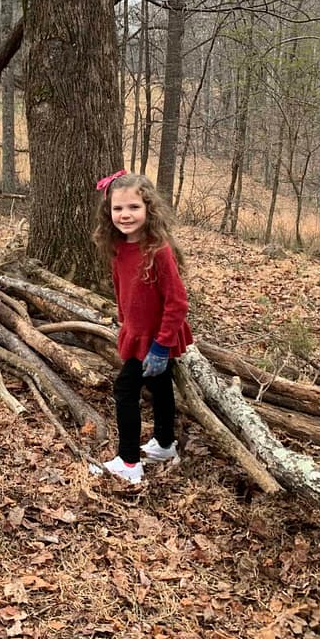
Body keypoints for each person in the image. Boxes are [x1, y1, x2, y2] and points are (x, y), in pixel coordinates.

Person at [89, 170, 193, 484]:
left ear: (149, 208)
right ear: (108, 212)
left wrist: (161, 346)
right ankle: (164, 443)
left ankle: (130, 462)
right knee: (160, 387)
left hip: (157, 337)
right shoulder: (119, 247)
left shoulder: (158, 251)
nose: (125, 215)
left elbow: (178, 303)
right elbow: (122, 288)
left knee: (125, 390)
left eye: (134, 207)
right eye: (118, 208)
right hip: (137, 333)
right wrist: (125, 322)